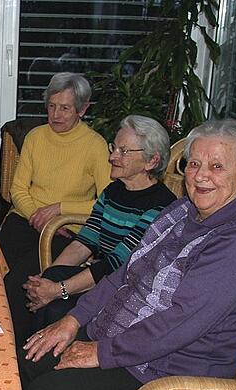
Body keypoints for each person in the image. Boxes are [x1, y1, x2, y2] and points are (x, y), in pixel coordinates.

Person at [20, 118, 236, 390]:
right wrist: (73, 320)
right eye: (193, 163)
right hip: (124, 341)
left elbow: (178, 324)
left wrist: (100, 352)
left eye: (217, 166)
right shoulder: (181, 211)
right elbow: (127, 272)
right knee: (29, 362)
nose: (200, 175)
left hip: (171, 373)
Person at [23, 115, 176, 336]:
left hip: (128, 289)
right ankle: (24, 358)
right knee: (42, 283)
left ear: (151, 161)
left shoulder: (161, 206)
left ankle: (42, 361)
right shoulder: (113, 192)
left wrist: (57, 290)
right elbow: (84, 243)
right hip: (101, 277)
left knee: (57, 307)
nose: (112, 156)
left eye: (124, 151)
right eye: (114, 147)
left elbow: (117, 263)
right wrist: (45, 282)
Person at [0, 72, 112, 347]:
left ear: (83, 110)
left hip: (67, 231)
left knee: (18, 283)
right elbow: (17, 190)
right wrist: (40, 216)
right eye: (51, 106)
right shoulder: (36, 137)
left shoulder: (95, 145)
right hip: (25, 220)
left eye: (65, 108)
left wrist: (60, 209)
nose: (56, 114)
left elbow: (108, 201)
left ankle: (16, 348)